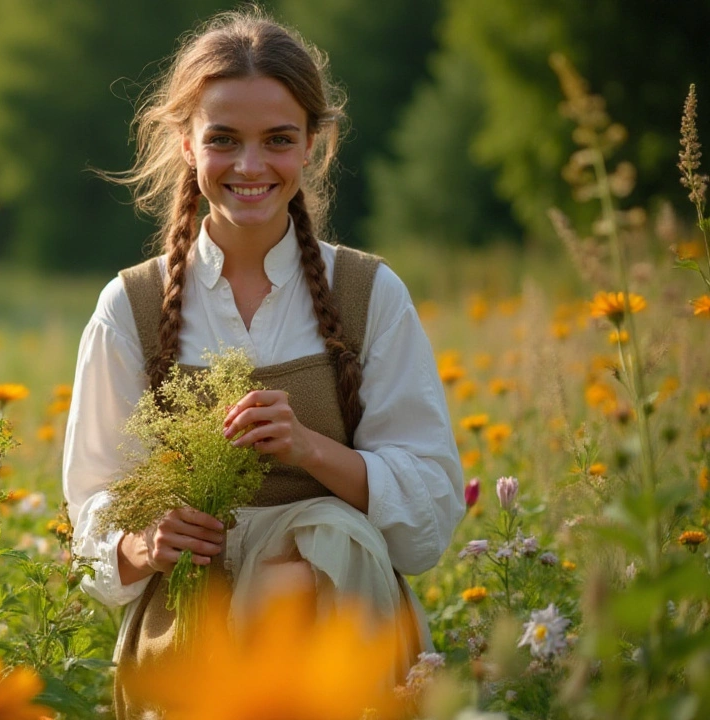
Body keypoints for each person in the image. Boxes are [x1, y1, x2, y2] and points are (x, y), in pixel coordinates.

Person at [60, 8, 464, 717]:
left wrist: (310, 449)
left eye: (278, 139)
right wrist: (146, 543)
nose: (250, 166)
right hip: (192, 632)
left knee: (323, 541)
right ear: (187, 144)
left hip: (338, 624)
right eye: (224, 140)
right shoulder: (132, 306)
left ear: (313, 144)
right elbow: (90, 511)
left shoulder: (368, 295)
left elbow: (428, 508)